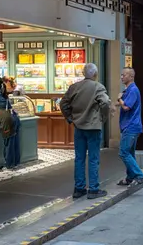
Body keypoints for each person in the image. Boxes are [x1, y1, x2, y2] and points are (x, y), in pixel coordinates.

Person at [60, 63, 111, 199]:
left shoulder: (74, 87)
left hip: (78, 126)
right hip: (93, 126)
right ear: (95, 74)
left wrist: (70, 118)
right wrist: (103, 118)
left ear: (83, 73)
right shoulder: (98, 87)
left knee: (79, 158)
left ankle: (79, 188)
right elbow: (105, 102)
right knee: (93, 159)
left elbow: (63, 103)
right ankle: (93, 189)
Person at [116, 68, 143, 187]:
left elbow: (126, 107)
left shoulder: (133, 90)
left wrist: (119, 99)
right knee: (130, 153)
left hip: (131, 126)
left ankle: (138, 175)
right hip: (131, 126)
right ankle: (130, 177)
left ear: (131, 76)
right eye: (121, 75)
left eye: (124, 75)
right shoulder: (129, 90)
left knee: (123, 152)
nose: (122, 77)